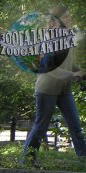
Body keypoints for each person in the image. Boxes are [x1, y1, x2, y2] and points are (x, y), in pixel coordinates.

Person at [23, 6, 85, 163]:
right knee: (40, 127)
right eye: (66, 18)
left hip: (64, 90)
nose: (70, 20)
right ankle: (26, 161)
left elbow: (69, 64)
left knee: (75, 127)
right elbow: (52, 70)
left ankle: (84, 159)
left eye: (70, 17)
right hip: (47, 89)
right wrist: (73, 75)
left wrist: (81, 72)